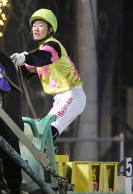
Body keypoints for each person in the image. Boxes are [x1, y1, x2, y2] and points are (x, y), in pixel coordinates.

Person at [10, 8, 86, 142]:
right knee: (42, 132)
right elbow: (26, 71)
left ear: (50, 29)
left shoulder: (54, 46)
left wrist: (25, 57)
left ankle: (43, 160)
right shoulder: (40, 50)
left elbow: (42, 57)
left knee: (48, 131)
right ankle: (44, 159)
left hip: (72, 95)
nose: (36, 29)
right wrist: (13, 64)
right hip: (59, 99)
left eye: (41, 25)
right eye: (34, 25)